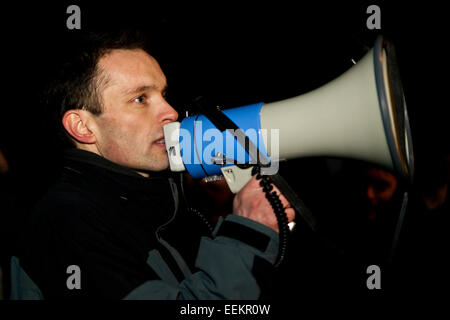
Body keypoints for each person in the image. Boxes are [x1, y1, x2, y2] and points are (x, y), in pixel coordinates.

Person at [9, 29, 295, 300]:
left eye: (164, 95)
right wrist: (247, 232)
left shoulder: (156, 199)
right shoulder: (65, 221)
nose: (170, 112)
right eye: (140, 99)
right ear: (83, 127)